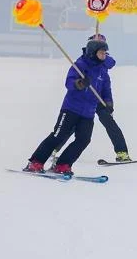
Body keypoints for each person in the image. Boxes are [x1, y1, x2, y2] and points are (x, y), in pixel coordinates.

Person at [23, 39, 112, 175]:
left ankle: (63, 165)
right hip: (71, 108)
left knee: (83, 140)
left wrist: (109, 103)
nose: (104, 56)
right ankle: (36, 162)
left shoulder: (102, 70)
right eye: (101, 53)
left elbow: (106, 89)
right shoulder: (80, 65)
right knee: (58, 135)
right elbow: (69, 82)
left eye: (105, 53)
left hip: (88, 112)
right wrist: (79, 83)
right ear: (93, 53)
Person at [51, 33, 131, 163]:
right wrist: (80, 83)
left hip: (99, 97)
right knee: (71, 127)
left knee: (110, 124)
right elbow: (74, 77)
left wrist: (109, 102)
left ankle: (122, 152)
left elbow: (110, 67)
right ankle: (53, 149)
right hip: (85, 97)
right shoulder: (84, 59)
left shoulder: (105, 59)